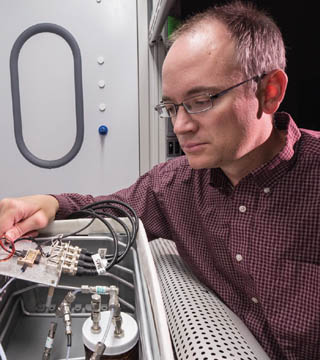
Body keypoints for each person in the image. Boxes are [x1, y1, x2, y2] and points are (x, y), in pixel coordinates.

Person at [0, 1, 319, 359]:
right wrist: (49, 204)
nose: (180, 125)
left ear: (269, 92)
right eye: (170, 107)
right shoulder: (174, 186)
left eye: (200, 100)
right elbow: (107, 209)